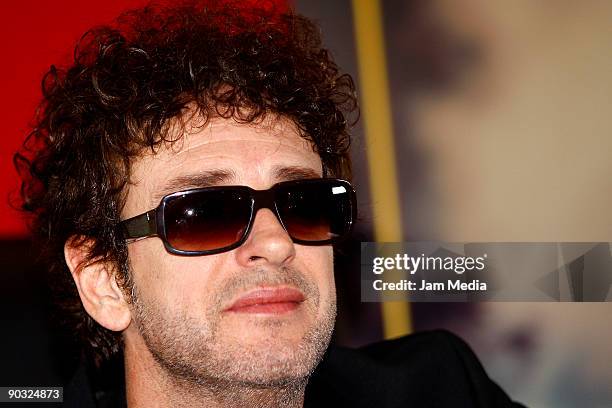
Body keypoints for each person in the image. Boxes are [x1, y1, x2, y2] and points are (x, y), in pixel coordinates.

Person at [15, 1, 524, 407]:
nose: (277, 242)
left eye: (303, 203)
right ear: (104, 282)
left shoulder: (439, 388)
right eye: (205, 214)